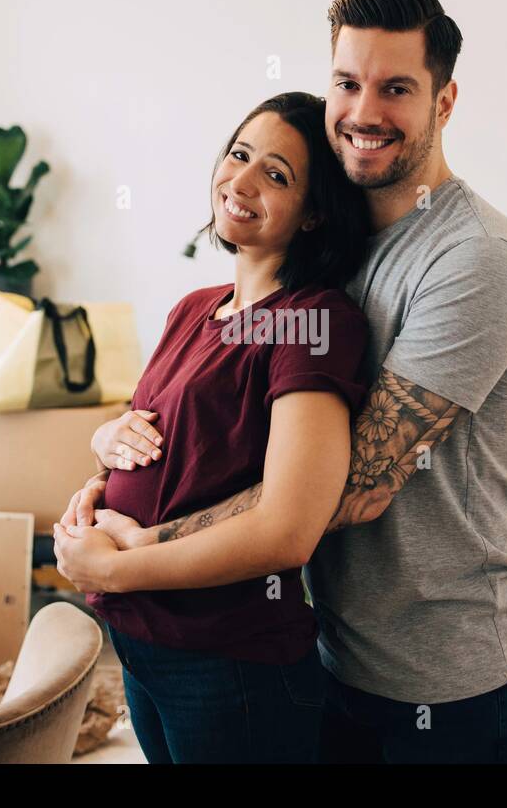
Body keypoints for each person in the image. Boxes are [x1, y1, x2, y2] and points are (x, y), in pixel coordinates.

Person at [61, 0, 507, 764]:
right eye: (348, 84)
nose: (364, 112)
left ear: (445, 101)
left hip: (443, 675)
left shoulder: (477, 261)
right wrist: (107, 459)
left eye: (397, 89)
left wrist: (132, 551)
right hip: (328, 648)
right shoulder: (329, 263)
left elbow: (342, 489)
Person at [56, 91, 371, 763]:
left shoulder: (313, 323)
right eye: (240, 154)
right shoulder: (194, 310)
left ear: (314, 213)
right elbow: (162, 451)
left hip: (229, 663)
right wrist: (98, 472)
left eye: (277, 175)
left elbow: (287, 532)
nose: (243, 182)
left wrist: (116, 572)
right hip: (142, 647)